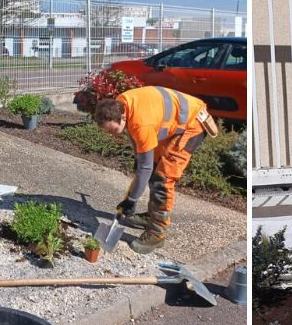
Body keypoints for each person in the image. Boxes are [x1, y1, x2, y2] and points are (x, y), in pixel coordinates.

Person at [93, 86, 217, 254]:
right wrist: (139, 156)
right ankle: (152, 216)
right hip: (176, 123)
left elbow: (145, 166)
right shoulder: (122, 103)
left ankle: (157, 233)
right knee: (152, 169)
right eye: (107, 131)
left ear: (122, 116)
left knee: (163, 179)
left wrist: (131, 200)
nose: (112, 135)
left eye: (113, 130)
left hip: (192, 124)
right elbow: (134, 137)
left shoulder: (141, 123)